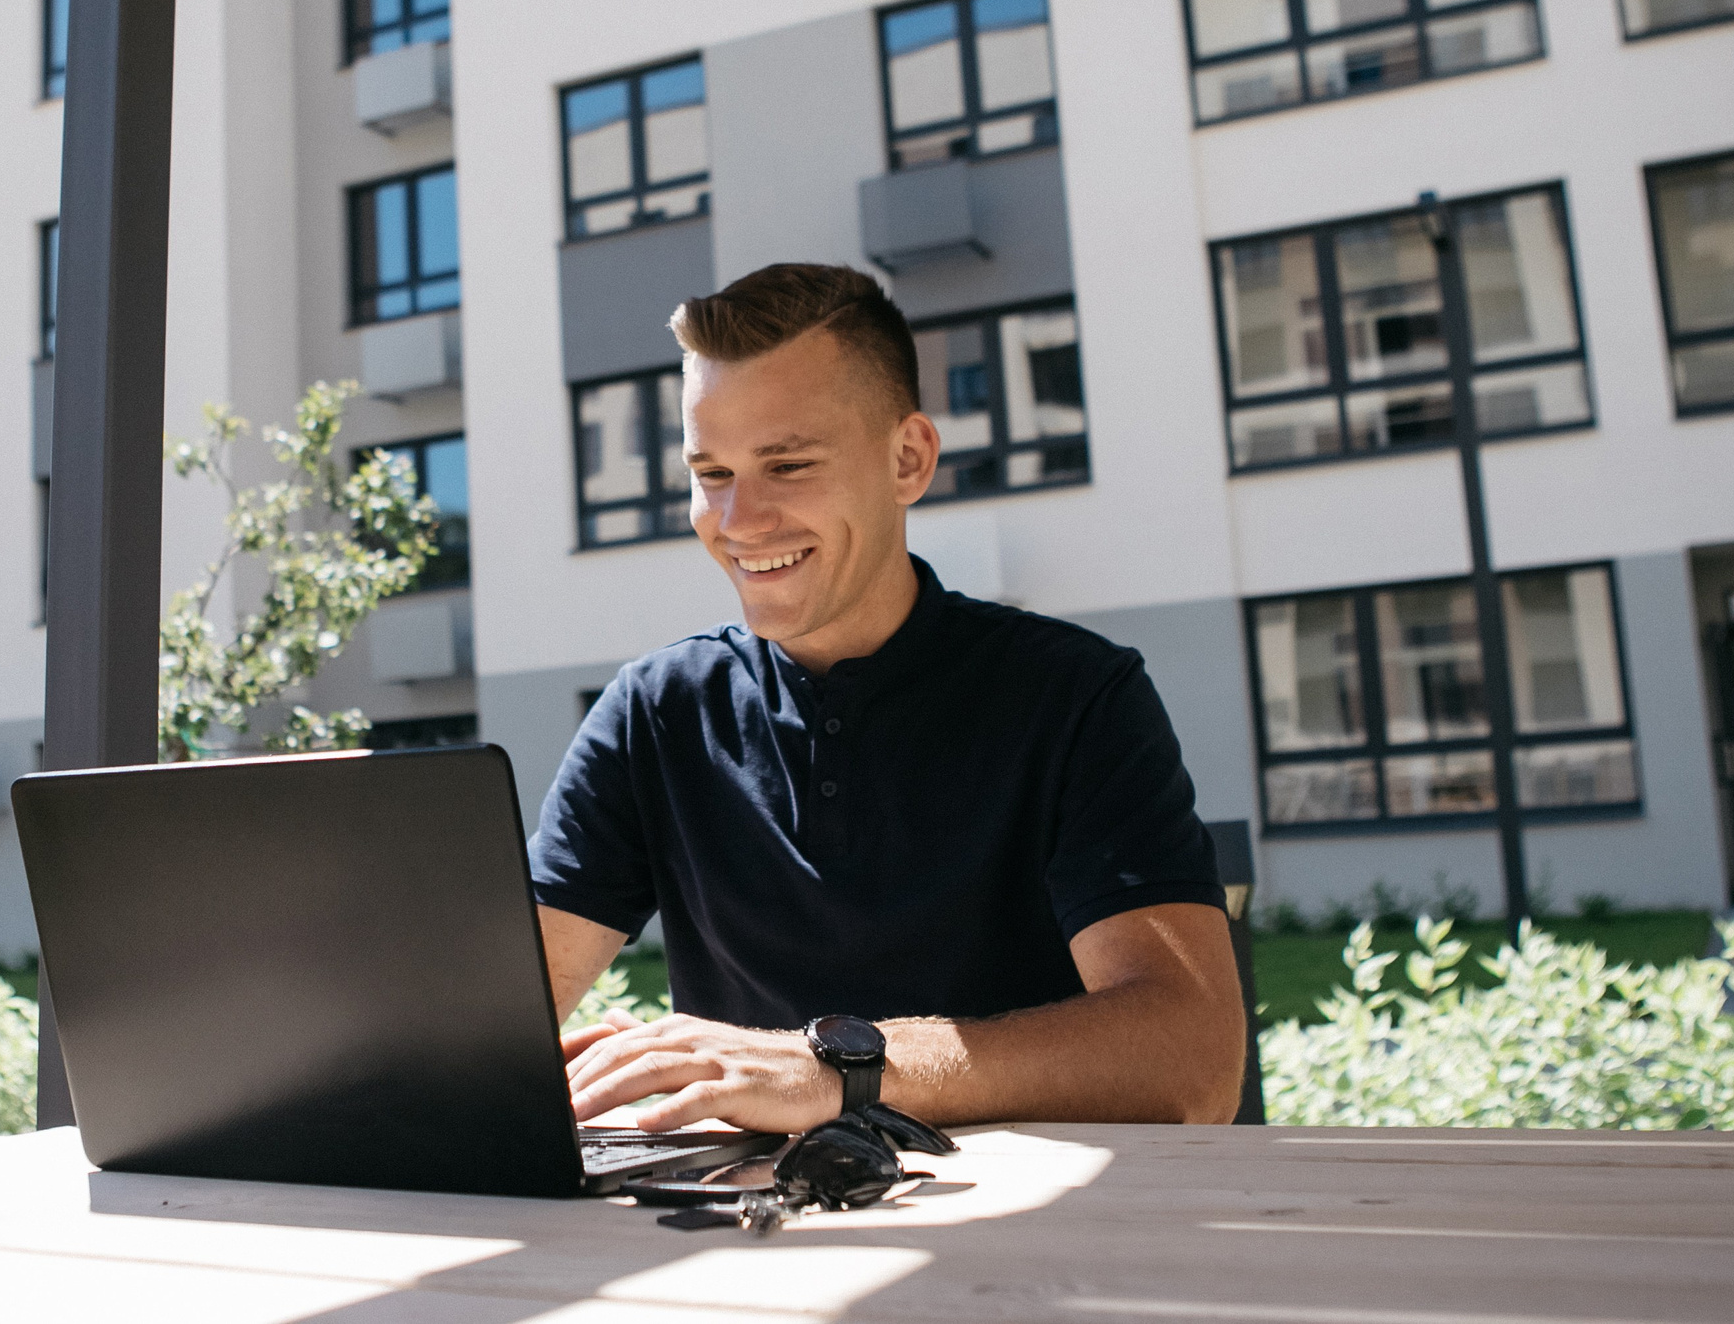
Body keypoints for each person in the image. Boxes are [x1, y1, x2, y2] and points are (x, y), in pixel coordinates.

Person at [532, 263, 1246, 1134]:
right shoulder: (657, 711)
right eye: (710, 470)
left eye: (787, 463)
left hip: (1027, 1239)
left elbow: (1193, 1060)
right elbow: (494, 1009)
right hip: (743, 1234)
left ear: (908, 459)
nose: (739, 517)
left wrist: (835, 1066)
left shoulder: (1075, 697)